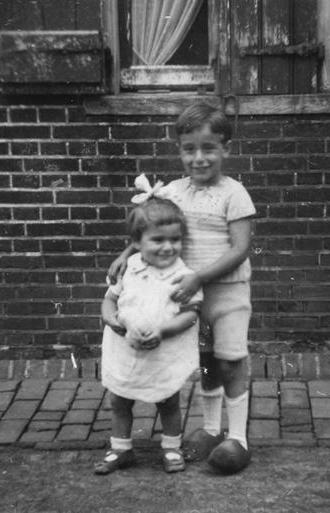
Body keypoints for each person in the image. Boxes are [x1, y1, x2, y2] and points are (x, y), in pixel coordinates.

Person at [108, 102, 256, 474]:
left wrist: (199, 278)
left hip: (227, 294)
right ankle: (209, 428)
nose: (199, 158)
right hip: (189, 295)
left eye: (209, 148)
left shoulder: (233, 193)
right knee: (205, 360)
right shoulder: (173, 191)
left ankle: (237, 437)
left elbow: (240, 249)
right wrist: (127, 253)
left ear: (226, 149)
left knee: (230, 359)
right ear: (180, 150)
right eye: (190, 149)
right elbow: (150, 225)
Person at [95, 196, 203, 475]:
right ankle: (121, 449)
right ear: (137, 241)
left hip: (163, 350)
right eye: (158, 240)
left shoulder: (184, 275)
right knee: (119, 400)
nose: (168, 247)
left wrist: (163, 330)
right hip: (126, 348)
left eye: (175, 240)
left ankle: (171, 447)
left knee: (167, 400)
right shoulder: (128, 268)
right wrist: (112, 320)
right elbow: (109, 301)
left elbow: (190, 314)